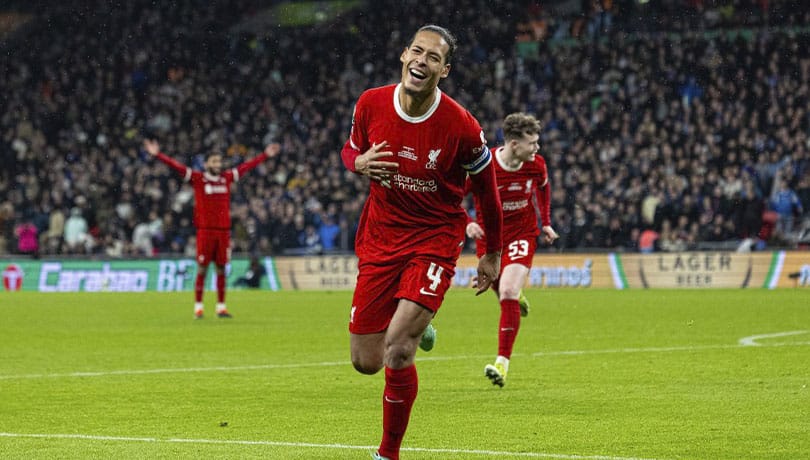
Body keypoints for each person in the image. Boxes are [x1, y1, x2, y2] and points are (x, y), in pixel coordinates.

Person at [340, 25, 503, 460]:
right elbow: (350, 150)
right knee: (365, 360)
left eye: (433, 57)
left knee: (397, 350)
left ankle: (387, 454)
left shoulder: (462, 126)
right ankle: (418, 318)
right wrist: (357, 163)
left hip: (434, 238)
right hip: (380, 238)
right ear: (403, 55)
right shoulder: (370, 103)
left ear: (444, 70)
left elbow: (487, 190)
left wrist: (491, 253)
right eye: (417, 51)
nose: (422, 61)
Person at [465, 112, 558, 388]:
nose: (537, 148)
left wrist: (547, 223)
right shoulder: (485, 165)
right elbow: (455, 195)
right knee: (500, 287)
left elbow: (543, 189)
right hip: (490, 237)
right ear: (515, 144)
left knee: (507, 290)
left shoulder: (536, 165)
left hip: (522, 234)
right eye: (532, 143)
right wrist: (467, 223)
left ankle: (502, 364)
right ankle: (516, 299)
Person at [143, 139, 280, 319]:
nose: (217, 164)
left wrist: (265, 155)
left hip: (223, 232)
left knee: (221, 269)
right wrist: (158, 155)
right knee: (202, 269)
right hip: (205, 232)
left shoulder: (227, 178)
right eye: (214, 162)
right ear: (206, 164)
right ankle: (198, 307)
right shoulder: (198, 179)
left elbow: (246, 167)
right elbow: (176, 167)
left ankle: (221, 307)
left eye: (219, 161)